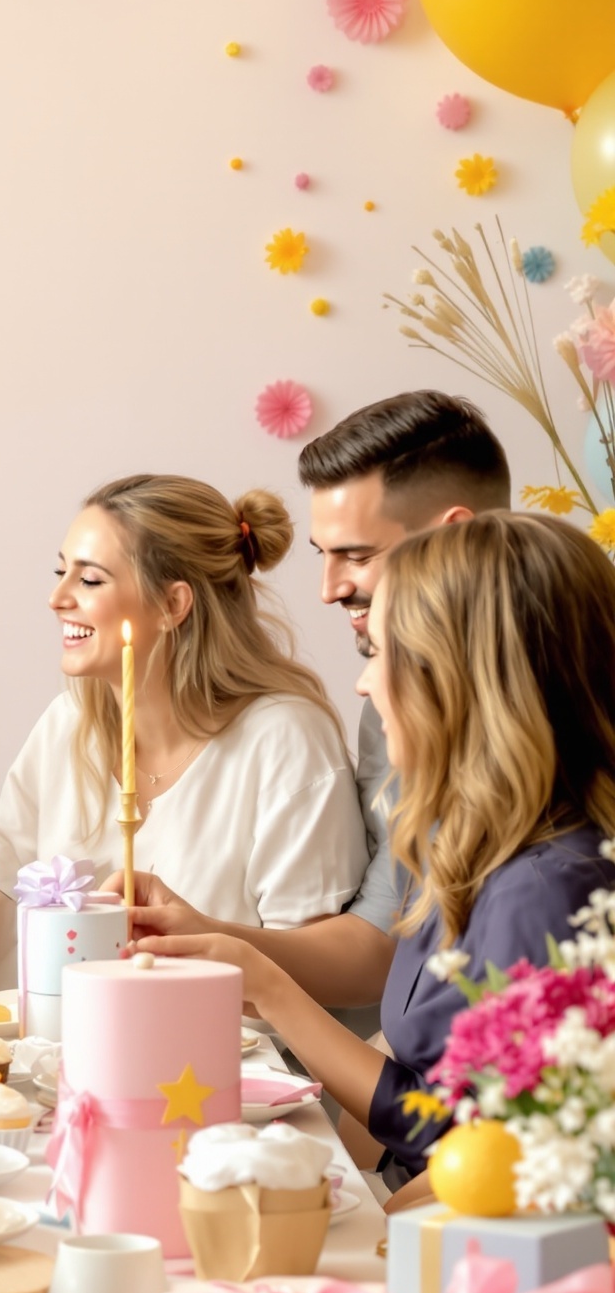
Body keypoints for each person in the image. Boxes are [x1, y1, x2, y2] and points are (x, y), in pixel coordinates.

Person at [149, 512, 615, 1196]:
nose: (366, 686)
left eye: (381, 655)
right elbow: (415, 1073)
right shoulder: (471, 851)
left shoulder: (546, 890)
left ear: (458, 681)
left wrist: (272, 989)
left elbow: (478, 1152)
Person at [124, 392, 511, 1010]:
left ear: (456, 537)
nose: (329, 590)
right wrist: (209, 938)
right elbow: (382, 946)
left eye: (357, 555)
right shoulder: (386, 712)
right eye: (324, 556)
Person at [0, 475, 367, 927]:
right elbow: (4, 890)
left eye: (90, 579)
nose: (57, 598)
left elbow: (310, 958)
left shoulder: (285, 740)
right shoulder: (67, 724)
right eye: (61, 572)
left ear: (173, 604)